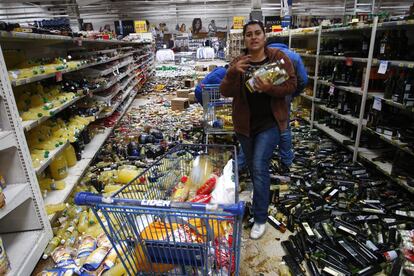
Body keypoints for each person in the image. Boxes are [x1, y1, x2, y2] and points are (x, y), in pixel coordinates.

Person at [220, 21, 297, 240]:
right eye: (249, 34)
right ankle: (260, 196)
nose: (253, 37)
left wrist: (269, 88)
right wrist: (233, 73)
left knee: (258, 165)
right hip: (245, 125)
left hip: (270, 124)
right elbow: (225, 91)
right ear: (244, 39)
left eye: (257, 33)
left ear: (264, 36)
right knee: (255, 171)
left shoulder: (279, 59)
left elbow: (291, 85)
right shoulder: (239, 62)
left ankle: (260, 217)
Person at [267, 38, 308, 173]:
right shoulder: (294, 56)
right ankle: (286, 161)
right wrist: (292, 93)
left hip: (264, 97)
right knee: (283, 128)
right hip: (284, 98)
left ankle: (260, 160)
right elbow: (303, 80)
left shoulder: (264, 54)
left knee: (262, 127)